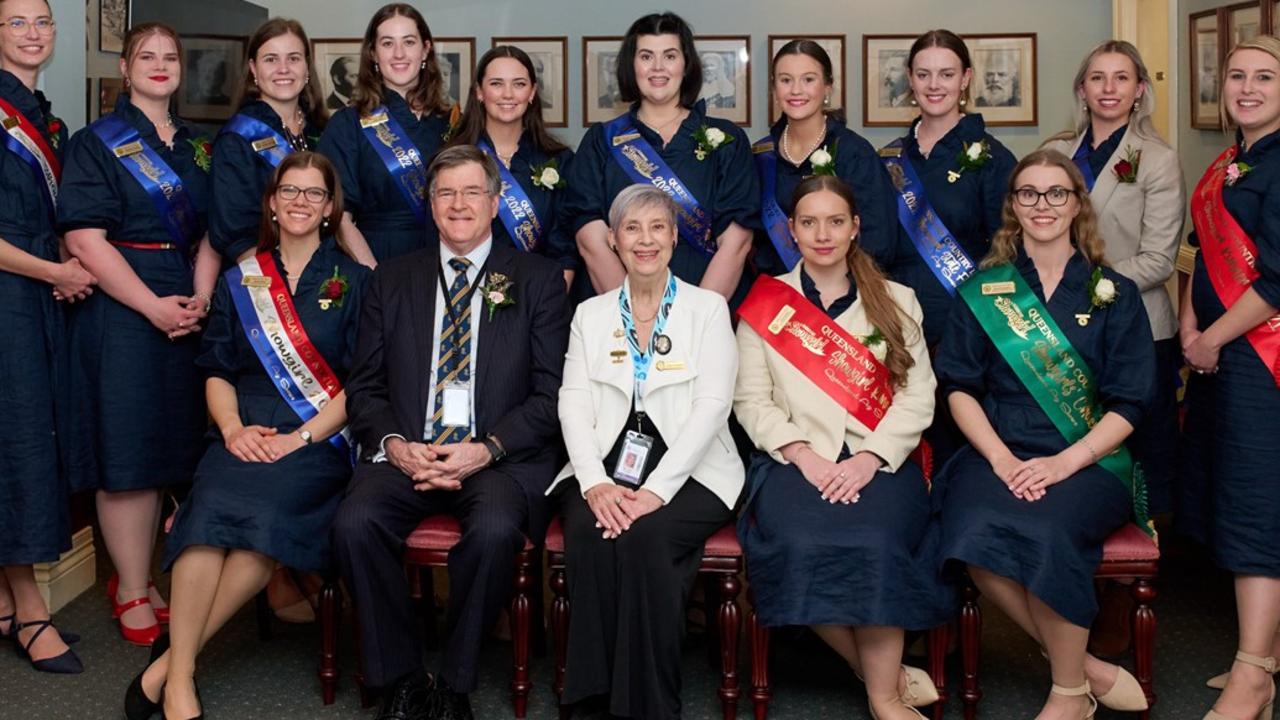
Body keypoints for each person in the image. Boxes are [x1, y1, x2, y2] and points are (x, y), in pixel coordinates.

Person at [121, 151, 366, 720]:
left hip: (318, 438)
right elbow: (217, 369)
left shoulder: (357, 281)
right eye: (290, 191)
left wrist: (297, 439)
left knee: (264, 527)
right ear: (272, 202)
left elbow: (359, 385)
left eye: (313, 193)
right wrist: (231, 431)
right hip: (242, 426)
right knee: (206, 512)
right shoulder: (241, 280)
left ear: (330, 208)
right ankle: (179, 678)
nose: (300, 202)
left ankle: (166, 667)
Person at [333, 144, 569, 720]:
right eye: (445, 193)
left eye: (471, 192)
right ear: (430, 205)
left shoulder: (536, 280)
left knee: (492, 532)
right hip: (408, 453)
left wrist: (485, 449)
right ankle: (403, 676)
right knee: (354, 523)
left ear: (494, 204)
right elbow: (364, 389)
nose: (458, 204)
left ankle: (454, 682)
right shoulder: (391, 280)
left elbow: (553, 393)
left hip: (500, 459)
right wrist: (396, 445)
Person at [932, 149, 1156, 719]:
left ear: (1078, 203)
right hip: (996, 450)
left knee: (1051, 529)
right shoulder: (984, 290)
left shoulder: (1116, 293)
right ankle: (1086, 672)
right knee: (969, 528)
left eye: (1057, 192)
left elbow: (1131, 403)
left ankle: (1066, 691)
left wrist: (1064, 464)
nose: (1043, 205)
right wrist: (1003, 460)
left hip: (1088, 459)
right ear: (1012, 205)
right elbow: (959, 386)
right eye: (1028, 193)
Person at [735, 175, 942, 720]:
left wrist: (870, 459)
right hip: (793, 462)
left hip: (879, 461)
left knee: (878, 541)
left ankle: (883, 699)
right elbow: (752, 401)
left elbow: (919, 397)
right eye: (808, 222)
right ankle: (886, 678)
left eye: (834, 221)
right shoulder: (764, 304)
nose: (821, 234)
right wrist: (805, 456)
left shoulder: (897, 301)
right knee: (800, 541)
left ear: (855, 228)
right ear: (792, 231)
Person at [551, 184, 744, 720]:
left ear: (675, 237)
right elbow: (572, 401)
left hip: (693, 466)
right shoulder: (590, 314)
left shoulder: (708, 310)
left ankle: (646, 703)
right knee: (592, 529)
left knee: (647, 535)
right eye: (632, 228)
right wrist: (593, 482)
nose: (645, 239)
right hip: (605, 460)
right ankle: (590, 695)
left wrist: (656, 491)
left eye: (657, 227)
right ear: (613, 240)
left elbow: (712, 407)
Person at [59, 21, 221, 648]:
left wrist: (201, 296)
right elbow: (83, 239)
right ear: (125, 69)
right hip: (123, 307)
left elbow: (214, 231)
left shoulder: (198, 146)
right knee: (125, 451)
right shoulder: (94, 142)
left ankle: (147, 577)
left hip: (188, 299)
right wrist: (152, 307)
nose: (159, 65)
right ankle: (130, 585)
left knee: (167, 449)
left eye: (170, 57)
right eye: (146, 57)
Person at [1041, 40, 1184, 520]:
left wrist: (1075, 283)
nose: (1108, 88)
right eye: (1097, 78)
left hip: (1137, 327)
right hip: (1064, 330)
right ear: (1081, 89)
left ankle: (1144, 556)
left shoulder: (1157, 159)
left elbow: (1159, 260)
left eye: (1121, 78)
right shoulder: (1056, 151)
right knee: (1073, 438)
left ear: (1140, 89)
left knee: (1142, 448)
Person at [1182, 35, 1280, 720]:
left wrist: (1211, 336)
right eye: (1237, 75)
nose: (1246, 87)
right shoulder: (1227, 163)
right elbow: (1194, 255)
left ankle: (1254, 674)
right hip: (1218, 355)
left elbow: (1277, 279)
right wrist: (1191, 328)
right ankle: (1261, 654)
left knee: (1255, 507)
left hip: (1260, 357)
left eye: (1265, 77)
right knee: (1226, 493)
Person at [0, 0, 95, 674]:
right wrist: (54, 270)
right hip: (8, 294)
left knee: (31, 438)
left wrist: (64, 270)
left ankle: (3, 600)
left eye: (43, 22)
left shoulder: (50, 118)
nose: (34, 33)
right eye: (17, 23)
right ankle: (30, 609)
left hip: (38, 296)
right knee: (18, 443)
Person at [880, 29, 1016, 467]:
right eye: (923, 74)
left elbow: (1009, 250)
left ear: (966, 79)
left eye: (946, 73)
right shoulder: (889, 159)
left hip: (965, 327)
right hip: (896, 325)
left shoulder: (994, 159)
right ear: (910, 80)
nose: (934, 84)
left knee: (957, 452)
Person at [562, 12, 758, 306]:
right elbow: (590, 238)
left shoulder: (727, 141)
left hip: (707, 310)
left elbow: (737, 243)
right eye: (645, 56)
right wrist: (633, 311)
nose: (657, 68)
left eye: (669, 56)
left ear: (686, 64)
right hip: (618, 311)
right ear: (632, 65)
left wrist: (695, 318)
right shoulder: (600, 141)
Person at [319, 2, 457, 266]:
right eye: (387, 43)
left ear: (425, 49)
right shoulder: (347, 124)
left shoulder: (450, 122)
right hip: (373, 257)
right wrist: (375, 275)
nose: (398, 53)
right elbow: (338, 216)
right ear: (373, 53)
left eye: (408, 42)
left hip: (444, 258)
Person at [753, 39, 899, 278]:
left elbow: (879, 241)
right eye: (785, 80)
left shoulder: (855, 153)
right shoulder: (761, 155)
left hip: (844, 295)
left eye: (808, 79)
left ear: (828, 87)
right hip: (777, 296)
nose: (796, 90)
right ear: (774, 89)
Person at [447, 45, 576, 287]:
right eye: (496, 83)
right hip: (465, 290)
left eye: (518, 84)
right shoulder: (452, 159)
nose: (508, 94)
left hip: (538, 293)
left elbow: (564, 249)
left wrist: (552, 306)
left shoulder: (560, 160)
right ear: (479, 92)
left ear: (532, 92)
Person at [210, 17, 329, 265]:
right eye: (271, 59)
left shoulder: (322, 130)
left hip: (322, 270)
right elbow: (234, 234)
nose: (283, 69)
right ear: (253, 69)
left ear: (307, 66)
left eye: (293, 58)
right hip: (263, 277)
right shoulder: (237, 138)